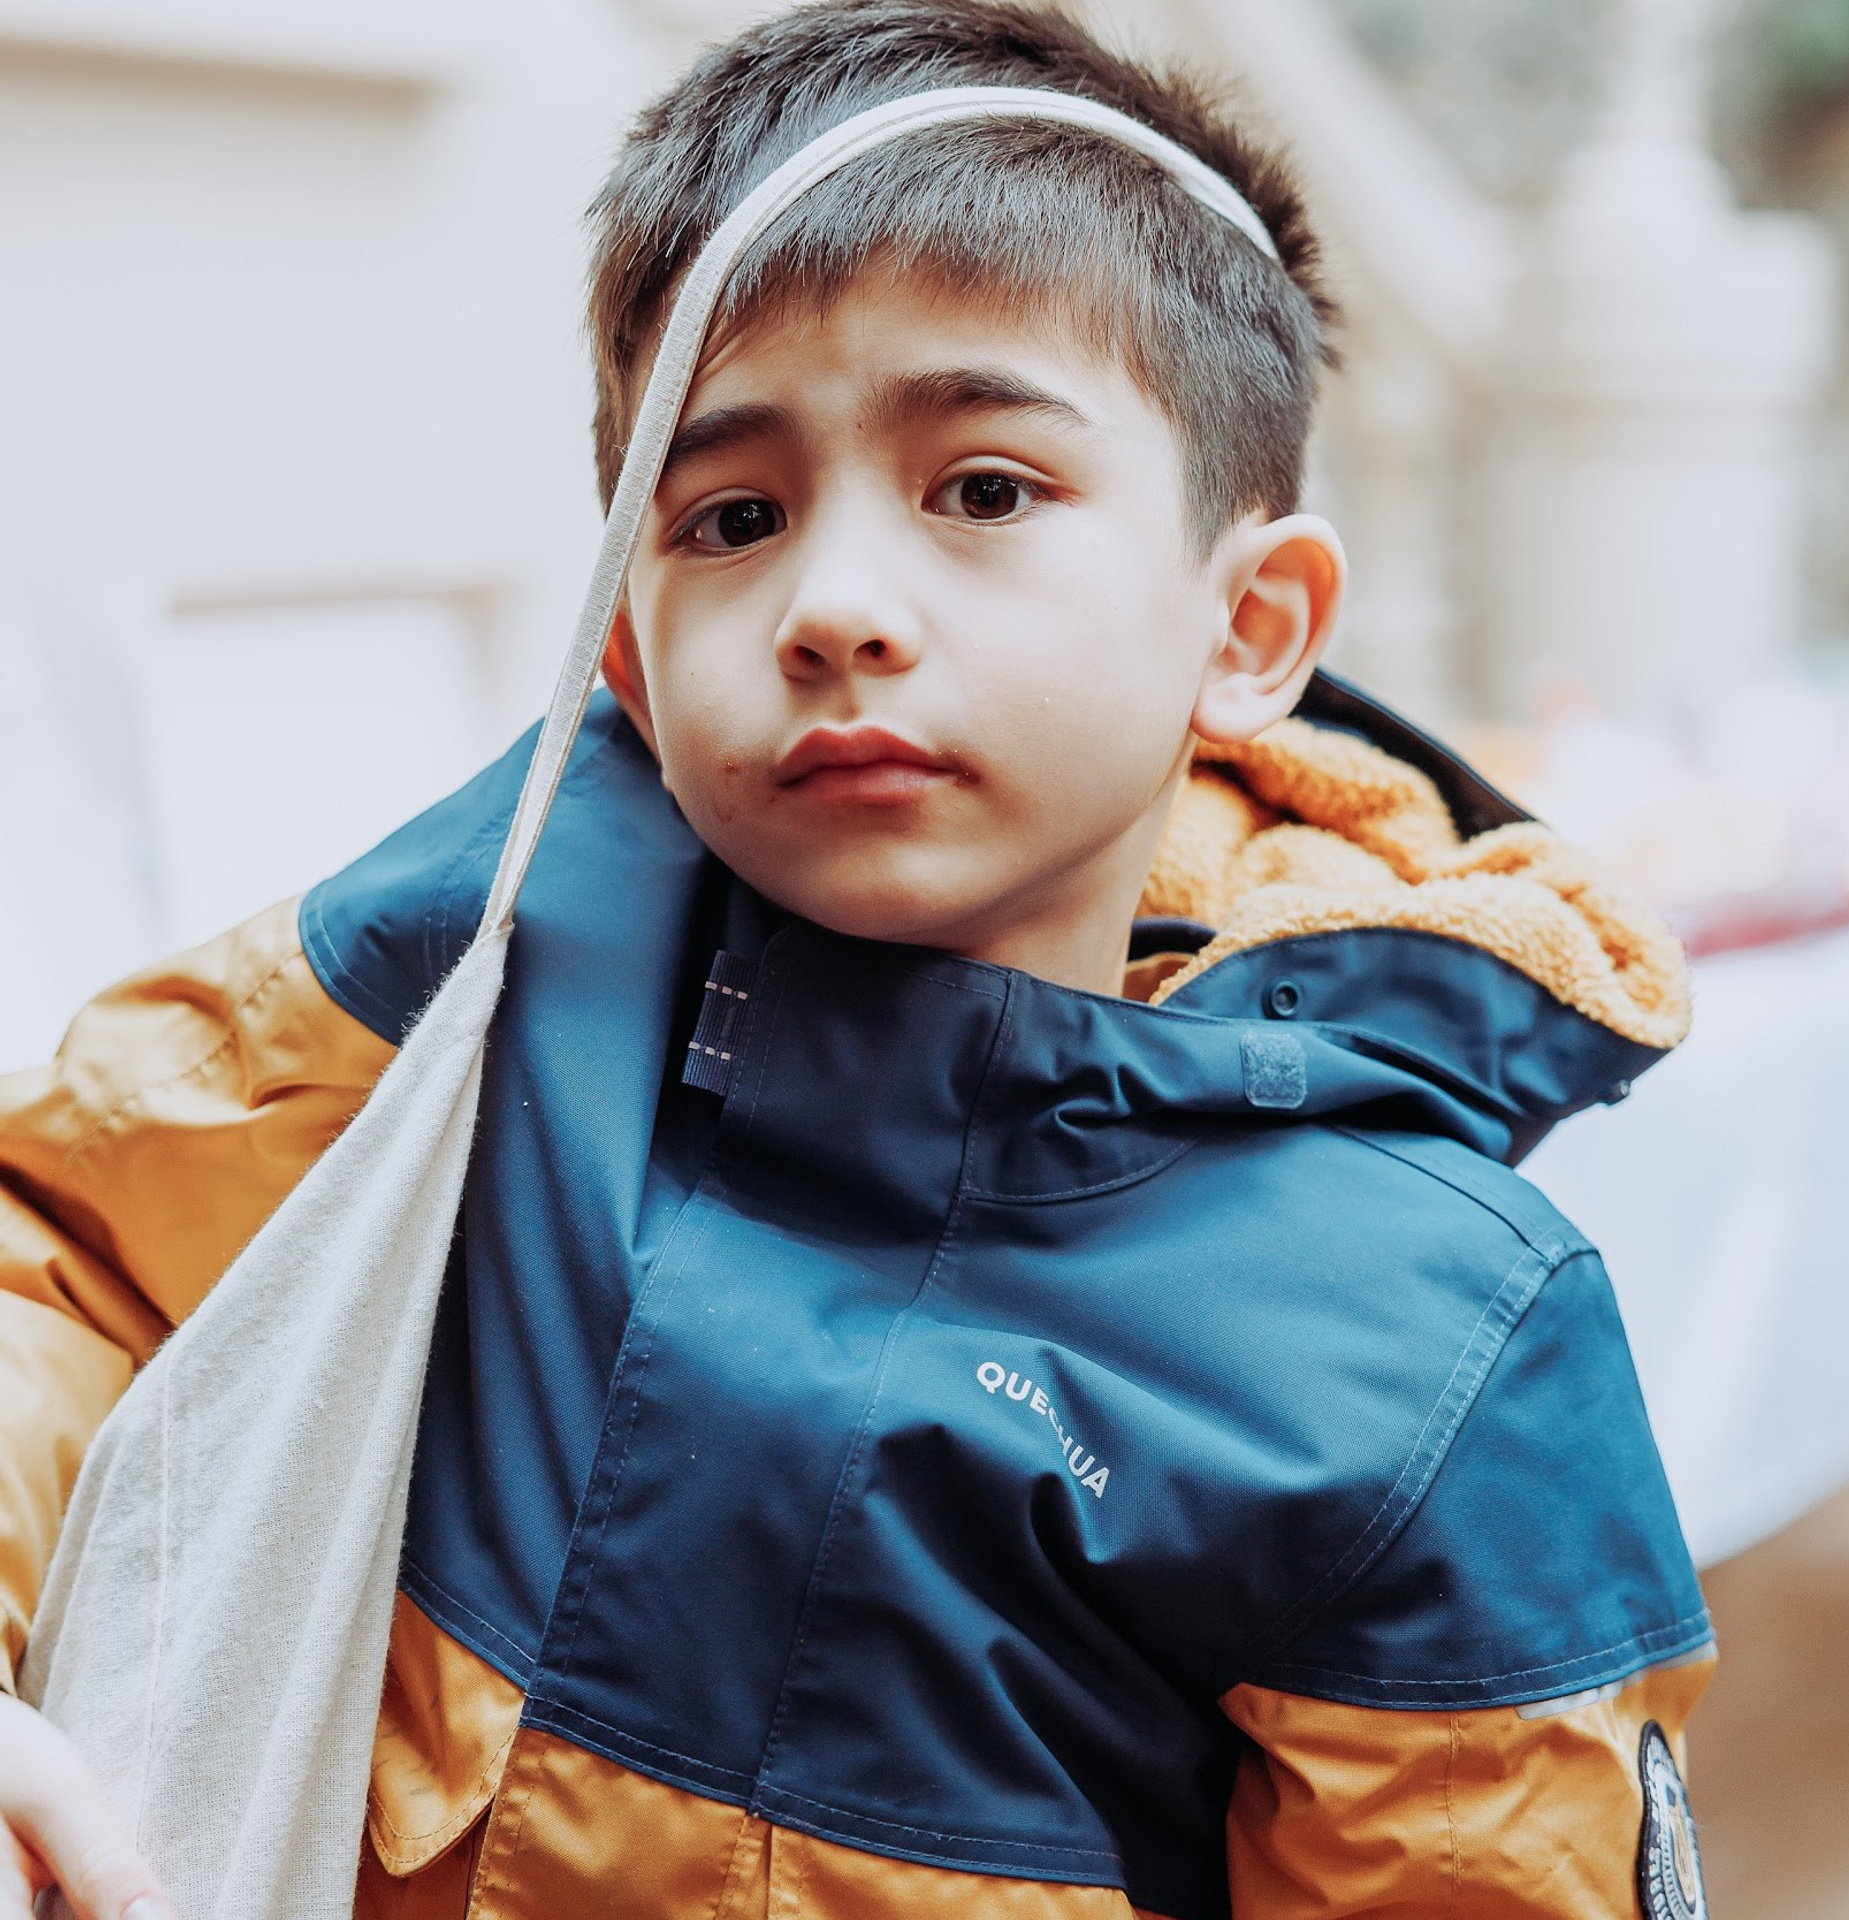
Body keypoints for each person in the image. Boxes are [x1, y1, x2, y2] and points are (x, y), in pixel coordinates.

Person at [0, 4, 1714, 1916]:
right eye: (732, 518)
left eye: (983, 488)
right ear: (630, 662)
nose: (833, 609)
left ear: (1248, 627)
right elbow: (66, 1264)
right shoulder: (494, 962)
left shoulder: (1433, 1337)